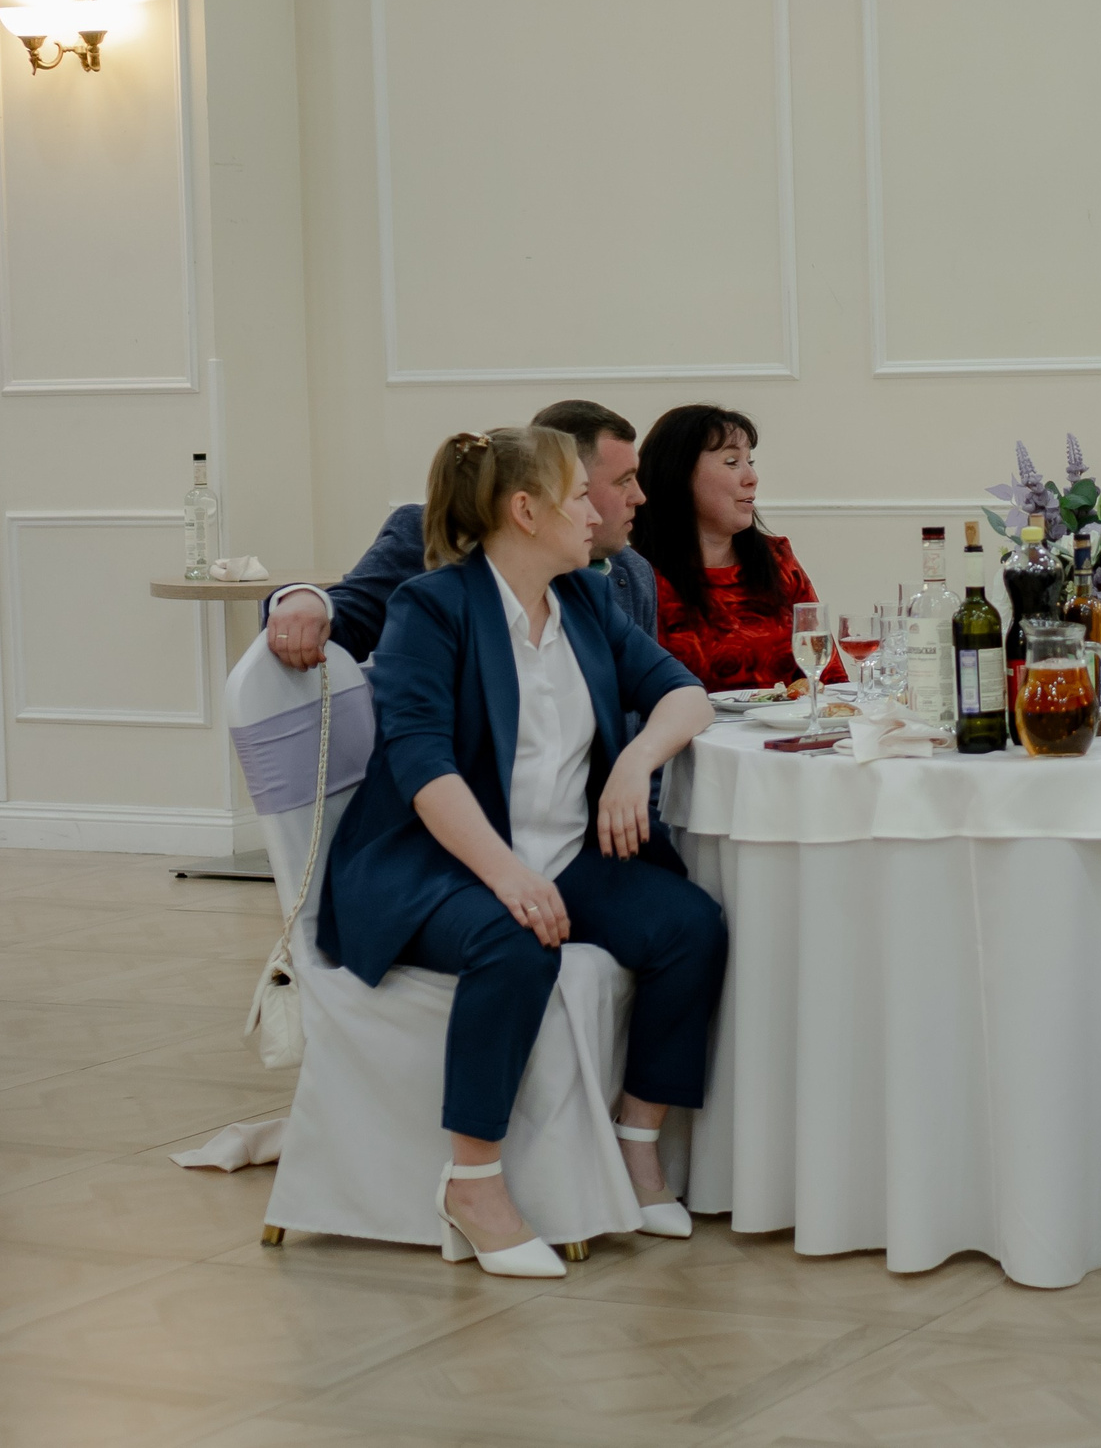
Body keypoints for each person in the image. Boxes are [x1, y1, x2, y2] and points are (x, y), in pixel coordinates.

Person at [318, 426, 724, 1278]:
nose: (598, 510)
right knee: (514, 938)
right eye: (581, 494)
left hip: (563, 850)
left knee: (691, 927)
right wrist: (507, 876)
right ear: (525, 509)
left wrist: (633, 763)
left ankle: (636, 1141)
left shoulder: (583, 600)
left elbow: (684, 695)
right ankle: (473, 1180)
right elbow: (421, 765)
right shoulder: (430, 606)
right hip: (438, 860)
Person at [264, 401, 655, 669]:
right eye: (622, 481)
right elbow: (350, 619)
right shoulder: (432, 560)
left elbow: (650, 703)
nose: (639, 496)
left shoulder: (626, 573)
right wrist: (305, 598)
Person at [633, 404, 834, 691]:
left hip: (785, 733)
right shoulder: (637, 574)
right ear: (678, 473)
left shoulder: (778, 559)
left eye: (750, 462)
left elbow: (828, 676)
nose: (752, 478)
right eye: (731, 462)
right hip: (689, 735)